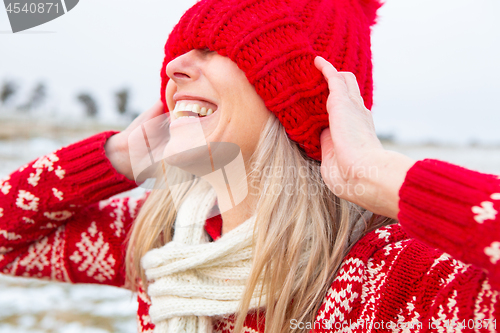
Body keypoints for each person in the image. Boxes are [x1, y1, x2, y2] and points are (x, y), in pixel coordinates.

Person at [1, 0, 499, 332]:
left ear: (299, 96)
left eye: (214, 49)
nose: (173, 68)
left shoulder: (388, 278)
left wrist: (374, 173)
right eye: (179, 54)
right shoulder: (169, 242)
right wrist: (113, 160)